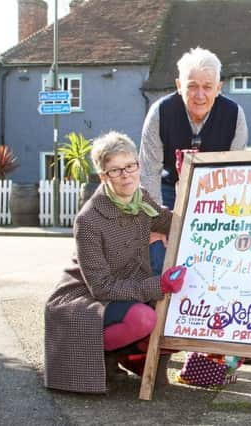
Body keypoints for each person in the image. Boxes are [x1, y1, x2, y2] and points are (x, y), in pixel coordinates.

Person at [44, 131, 187, 394]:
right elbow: (101, 287)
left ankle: (131, 357)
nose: (126, 175)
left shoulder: (140, 198)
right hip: (86, 297)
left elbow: (171, 221)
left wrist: (190, 188)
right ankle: (104, 355)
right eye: (115, 170)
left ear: (138, 165)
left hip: (127, 286)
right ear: (103, 176)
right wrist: (159, 285)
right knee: (144, 319)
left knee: (183, 313)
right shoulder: (88, 220)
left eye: (130, 166)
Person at [139, 47, 248, 276]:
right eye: (192, 86)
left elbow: (237, 173)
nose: (200, 95)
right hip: (167, 190)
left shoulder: (234, 115)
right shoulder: (160, 112)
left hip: (217, 193)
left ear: (218, 88)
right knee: (158, 251)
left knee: (216, 257)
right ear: (179, 85)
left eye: (207, 87)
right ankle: (160, 306)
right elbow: (149, 173)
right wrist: (157, 225)